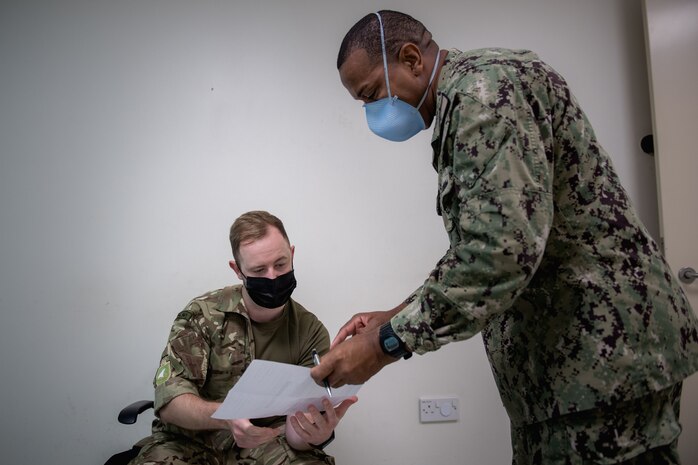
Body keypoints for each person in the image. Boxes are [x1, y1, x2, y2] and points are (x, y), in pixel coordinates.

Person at [310, 10, 698, 465]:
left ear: (411, 58)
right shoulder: (471, 95)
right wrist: (391, 316)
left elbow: (500, 256)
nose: (373, 112)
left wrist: (384, 345)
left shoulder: (485, 93)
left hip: (605, 365)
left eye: (372, 93)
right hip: (572, 375)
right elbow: (484, 247)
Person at [129, 210, 357, 465]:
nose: (273, 276)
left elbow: (295, 432)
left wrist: (313, 433)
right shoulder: (202, 315)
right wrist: (226, 417)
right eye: (259, 269)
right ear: (237, 270)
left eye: (281, 264)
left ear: (292, 254)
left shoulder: (310, 331)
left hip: (264, 445)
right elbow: (170, 402)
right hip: (187, 441)